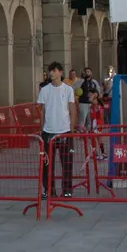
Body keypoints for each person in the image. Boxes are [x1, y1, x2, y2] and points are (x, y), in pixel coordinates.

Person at [38, 62, 77, 199]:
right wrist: (42, 129)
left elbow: (72, 109)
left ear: (60, 72)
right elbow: (42, 111)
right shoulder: (44, 90)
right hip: (48, 132)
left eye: (54, 71)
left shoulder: (68, 90)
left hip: (65, 131)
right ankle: (49, 190)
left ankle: (67, 190)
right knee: (47, 164)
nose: (51, 73)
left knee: (66, 162)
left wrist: (71, 129)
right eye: (50, 71)